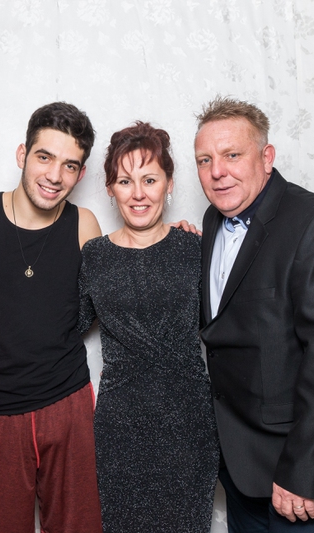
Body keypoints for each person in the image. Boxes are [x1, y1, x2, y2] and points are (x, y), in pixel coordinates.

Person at [195, 96, 314, 532]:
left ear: (266, 157)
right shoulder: (212, 222)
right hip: (241, 469)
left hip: (299, 476)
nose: (217, 171)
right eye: (205, 160)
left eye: (232, 155)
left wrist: (302, 472)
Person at [0, 102, 104, 532]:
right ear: (22, 154)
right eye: (44, 157)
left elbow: (105, 303)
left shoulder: (84, 225)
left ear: (81, 174)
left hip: (68, 404)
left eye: (69, 165)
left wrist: (176, 239)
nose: (54, 175)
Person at [77, 122, 220, 532]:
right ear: (110, 188)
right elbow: (65, 328)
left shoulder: (196, 248)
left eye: (150, 180)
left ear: (169, 184)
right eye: (125, 181)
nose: (138, 193)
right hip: (120, 430)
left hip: (188, 426)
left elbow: (229, 327)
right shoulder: (94, 256)